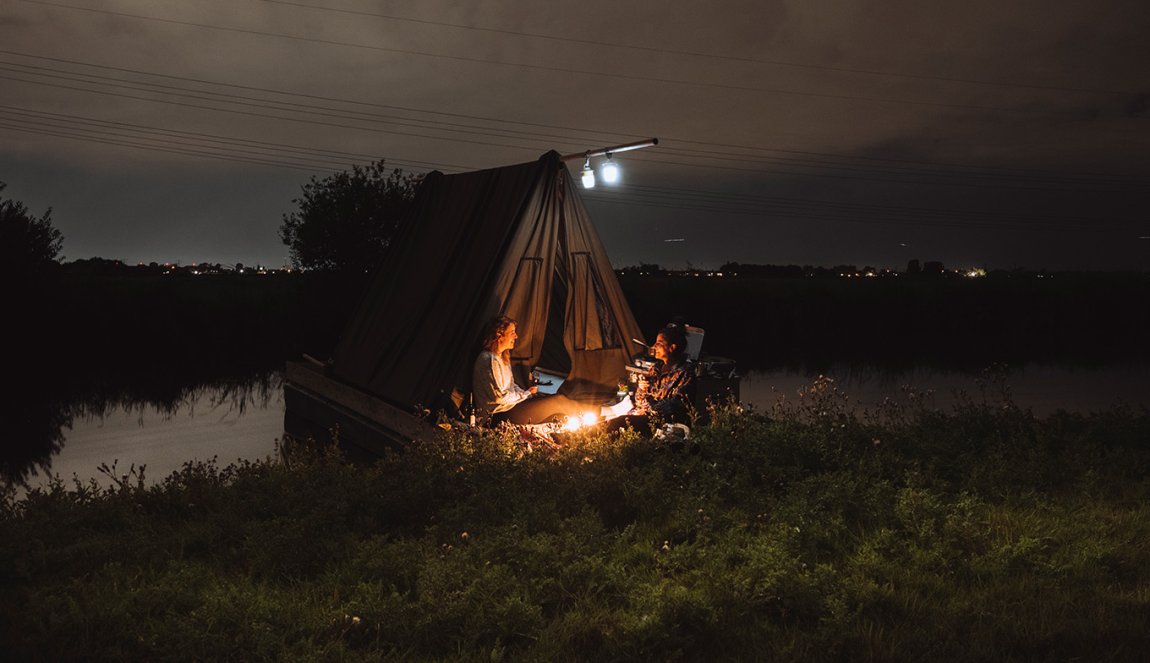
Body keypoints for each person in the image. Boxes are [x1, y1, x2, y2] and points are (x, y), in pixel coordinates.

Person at [472, 315, 585, 425]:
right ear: (499, 334)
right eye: (512, 333)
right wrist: (525, 394)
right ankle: (593, 418)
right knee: (559, 401)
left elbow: (511, 386)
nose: (516, 336)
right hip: (497, 414)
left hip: (510, 407)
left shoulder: (502, 357)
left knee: (557, 411)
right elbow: (498, 397)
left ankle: (586, 422)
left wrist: (526, 394)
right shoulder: (489, 360)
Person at [606, 322, 697, 434]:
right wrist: (641, 389)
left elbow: (674, 407)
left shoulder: (685, 373)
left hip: (666, 423)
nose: (654, 346)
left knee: (617, 423)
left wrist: (649, 406)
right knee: (606, 419)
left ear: (672, 347)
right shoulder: (656, 369)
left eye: (659, 343)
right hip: (647, 416)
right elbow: (640, 401)